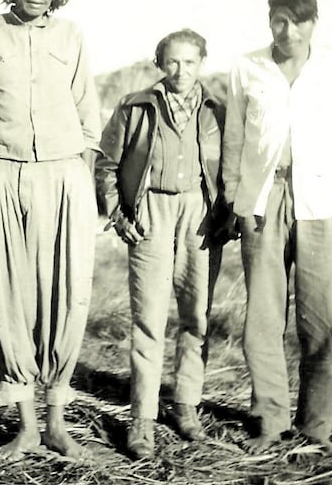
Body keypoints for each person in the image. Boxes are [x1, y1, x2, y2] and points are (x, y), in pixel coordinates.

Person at [221, 0, 332, 456]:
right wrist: (238, 201)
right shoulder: (247, 68)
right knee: (263, 320)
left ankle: (316, 429)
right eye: (278, 21)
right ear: (270, 22)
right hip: (264, 203)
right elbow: (234, 141)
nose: (286, 31)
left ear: (313, 24)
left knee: (322, 322)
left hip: (322, 205)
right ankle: (269, 420)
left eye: (297, 21)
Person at [0, 0, 100, 462]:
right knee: (7, 300)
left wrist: (81, 170)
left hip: (62, 176)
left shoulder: (71, 35)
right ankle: (27, 427)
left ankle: (58, 423)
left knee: (65, 297)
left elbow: (88, 107)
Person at [96, 29, 230, 459]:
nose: (181, 71)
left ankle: (186, 405)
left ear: (202, 63)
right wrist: (119, 212)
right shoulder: (135, 106)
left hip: (199, 215)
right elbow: (107, 163)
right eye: (172, 62)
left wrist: (225, 214)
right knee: (149, 319)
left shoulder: (217, 112)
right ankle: (142, 419)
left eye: (190, 62)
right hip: (151, 209)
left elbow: (231, 166)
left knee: (196, 316)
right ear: (160, 64)